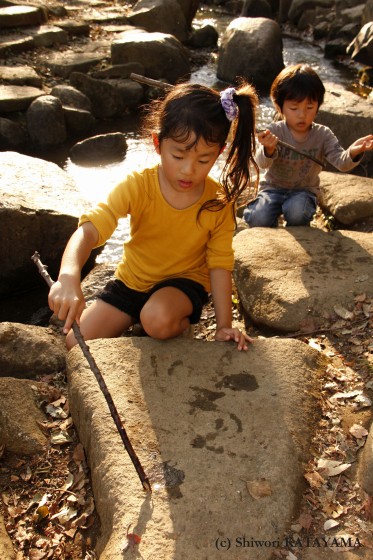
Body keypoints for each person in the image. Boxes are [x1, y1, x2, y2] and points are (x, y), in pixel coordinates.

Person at [49, 81, 259, 351]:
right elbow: (90, 228)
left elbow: (219, 263)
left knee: (156, 321)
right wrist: (68, 275)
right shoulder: (138, 186)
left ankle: (180, 324)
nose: (188, 170)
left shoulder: (218, 201)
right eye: (178, 155)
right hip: (132, 281)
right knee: (76, 343)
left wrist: (223, 326)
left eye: (204, 160)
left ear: (218, 153)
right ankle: (136, 316)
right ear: (158, 143)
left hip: (184, 284)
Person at [243, 64, 373, 228]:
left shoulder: (323, 134)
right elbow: (262, 163)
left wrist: (354, 151)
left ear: (318, 107)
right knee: (258, 218)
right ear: (279, 106)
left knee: (297, 213)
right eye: (294, 108)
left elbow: (342, 163)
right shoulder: (275, 130)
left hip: (303, 192)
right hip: (272, 189)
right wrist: (268, 150)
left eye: (309, 107)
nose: (302, 114)